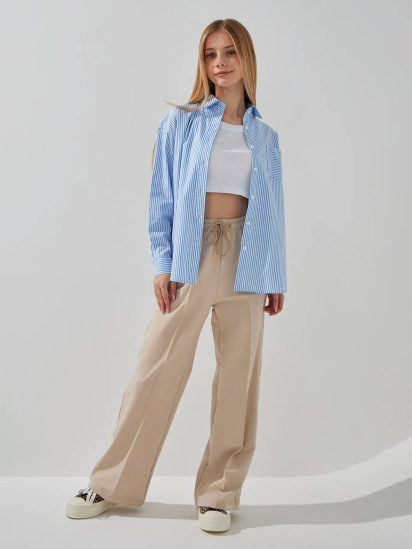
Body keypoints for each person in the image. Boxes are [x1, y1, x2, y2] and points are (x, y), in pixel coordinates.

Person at [66, 17, 287, 533]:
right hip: (193, 254)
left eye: (229, 52)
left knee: (238, 382)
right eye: (211, 54)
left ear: (246, 57)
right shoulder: (181, 124)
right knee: (155, 369)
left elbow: (274, 208)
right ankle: (112, 483)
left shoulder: (266, 136)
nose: (220, 63)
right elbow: (162, 195)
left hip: (249, 258)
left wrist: (276, 273)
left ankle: (219, 495)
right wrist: (163, 262)